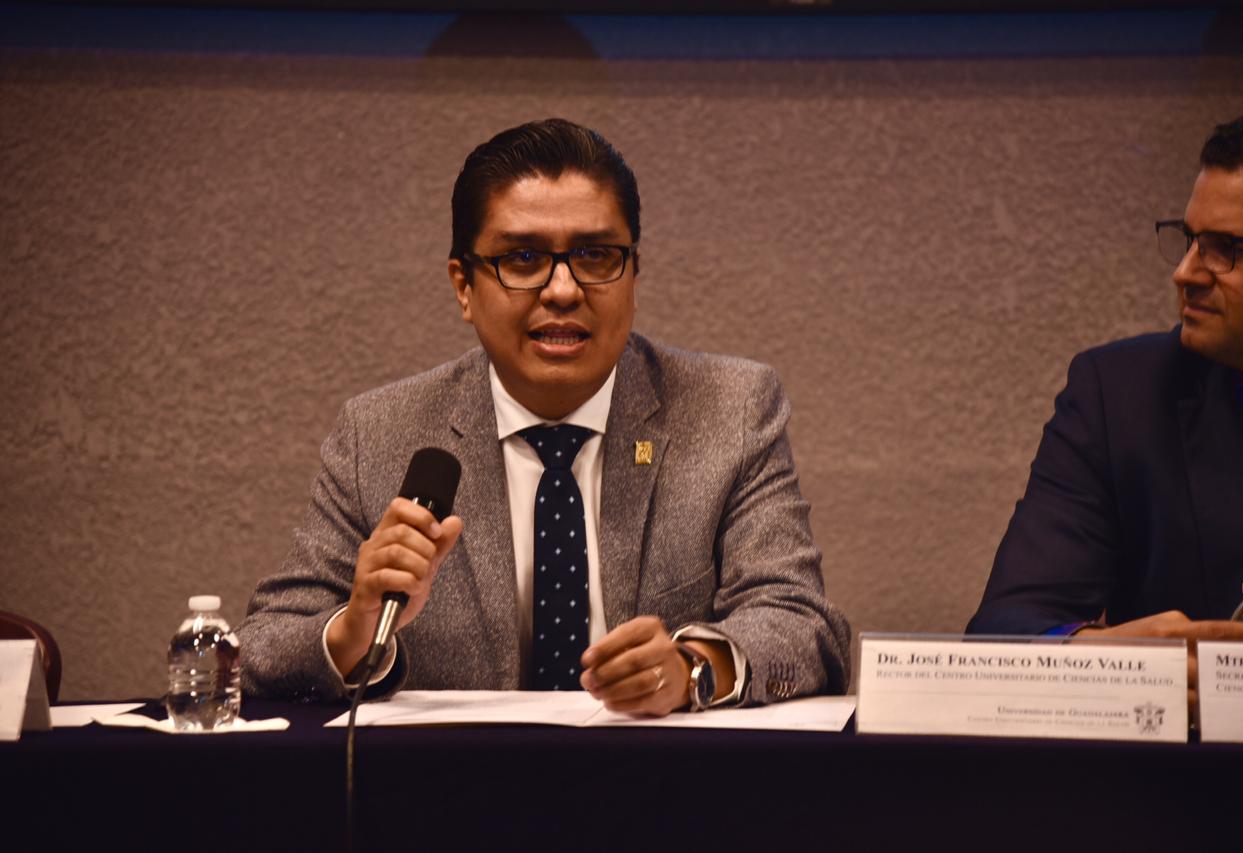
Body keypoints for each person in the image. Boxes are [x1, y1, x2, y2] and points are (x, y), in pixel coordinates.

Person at [238, 118, 851, 714]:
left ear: (634, 275)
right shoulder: (379, 432)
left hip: (661, 794)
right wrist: (357, 629)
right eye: (524, 258)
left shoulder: (731, 409)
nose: (562, 289)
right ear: (463, 287)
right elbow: (265, 645)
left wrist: (692, 669)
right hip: (450, 796)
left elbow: (801, 624)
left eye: (594, 255)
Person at [969, 114, 1243, 657]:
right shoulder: (1120, 398)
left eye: (1225, 248)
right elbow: (1006, 629)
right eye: (1189, 240)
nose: (1185, 272)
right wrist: (1110, 656)